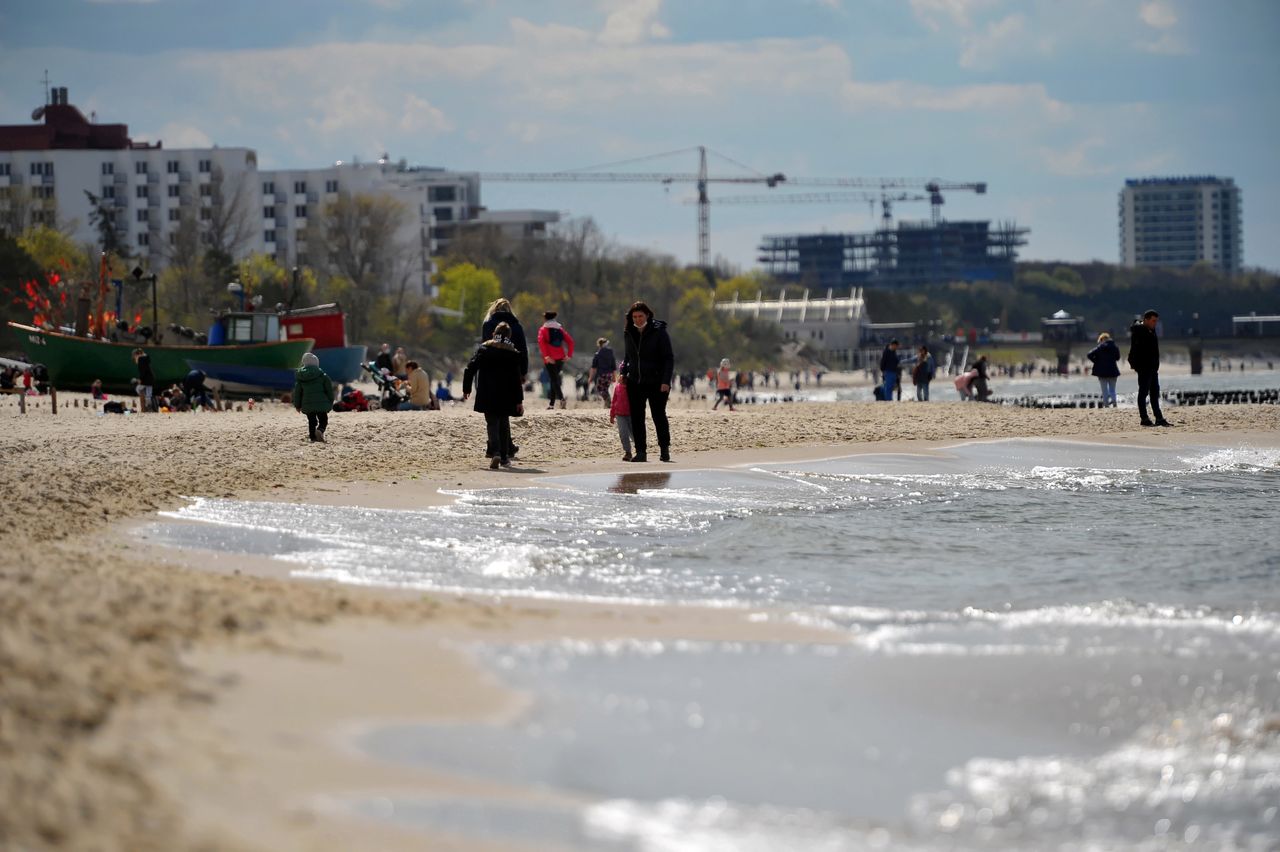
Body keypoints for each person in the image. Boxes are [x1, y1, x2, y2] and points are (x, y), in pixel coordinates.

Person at [463, 321, 525, 469]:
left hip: (487, 393)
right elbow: (517, 379)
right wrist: (519, 400)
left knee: (492, 423)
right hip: (507, 395)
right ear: (509, 336)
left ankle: (495, 452)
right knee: (503, 424)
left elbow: (470, 368)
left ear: (493, 334)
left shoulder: (484, 349)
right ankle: (504, 458)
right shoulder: (513, 353)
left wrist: (467, 388)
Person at [620, 300, 674, 463]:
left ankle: (664, 449)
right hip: (635, 381)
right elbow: (628, 355)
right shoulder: (629, 331)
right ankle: (641, 452)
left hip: (657, 381)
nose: (637, 319)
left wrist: (666, 380)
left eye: (640, 316)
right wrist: (624, 372)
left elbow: (668, 358)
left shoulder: (659, 332)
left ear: (647, 315)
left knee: (658, 415)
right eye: (634, 316)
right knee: (637, 417)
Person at [1128, 309, 1170, 427]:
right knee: (1143, 392)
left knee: (1154, 393)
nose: (1155, 323)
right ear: (1146, 320)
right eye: (1153, 321)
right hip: (1144, 367)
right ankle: (1144, 418)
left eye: (1156, 321)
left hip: (1152, 367)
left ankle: (1159, 418)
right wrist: (1137, 365)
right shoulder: (1139, 331)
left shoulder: (1151, 330)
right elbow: (1135, 350)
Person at [292, 352, 335, 443]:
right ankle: (320, 430)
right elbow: (329, 390)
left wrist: (297, 405)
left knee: (312, 421)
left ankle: (312, 437)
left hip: (307, 404)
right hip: (321, 403)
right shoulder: (323, 376)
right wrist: (331, 400)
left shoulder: (301, 377)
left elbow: (298, 393)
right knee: (323, 420)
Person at [481, 299, 529, 378]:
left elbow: (484, 348)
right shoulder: (517, 326)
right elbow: (523, 350)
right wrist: (523, 372)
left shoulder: (487, 325)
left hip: (491, 369)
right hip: (512, 370)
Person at [537, 310, 575, 409]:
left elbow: (541, 343)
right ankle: (552, 404)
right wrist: (569, 355)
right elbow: (570, 342)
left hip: (549, 358)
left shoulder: (543, 329)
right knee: (554, 379)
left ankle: (561, 399)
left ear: (545, 318)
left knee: (553, 379)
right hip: (561, 357)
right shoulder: (560, 329)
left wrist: (546, 356)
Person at [1087, 332, 1122, 407]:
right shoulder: (1114, 347)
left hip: (1102, 372)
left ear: (1102, 339)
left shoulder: (1100, 348)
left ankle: (1106, 404)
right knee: (1112, 389)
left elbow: (1089, 354)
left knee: (1104, 390)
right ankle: (1114, 402)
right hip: (1113, 371)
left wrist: (1096, 361)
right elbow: (1118, 358)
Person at [609, 373, 634, 461]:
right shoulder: (617, 387)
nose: (621, 378)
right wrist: (612, 415)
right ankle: (628, 452)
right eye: (621, 376)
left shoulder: (632, 387)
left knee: (634, 433)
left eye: (623, 377)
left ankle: (640, 450)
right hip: (619, 414)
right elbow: (614, 401)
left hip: (631, 414)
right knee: (623, 434)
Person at [588, 337, 617, 406]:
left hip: (602, 374)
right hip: (609, 374)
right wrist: (614, 376)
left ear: (599, 344)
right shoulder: (610, 353)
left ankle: (608, 401)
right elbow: (614, 366)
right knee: (606, 388)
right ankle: (608, 402)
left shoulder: (598, 354)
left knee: (600, 388)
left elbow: (593, 367)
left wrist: (590, 378)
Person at [131, 348, 154, 412]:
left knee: (138, 389)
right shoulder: (146, 359)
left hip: (145, 379)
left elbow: (142, 371)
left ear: (137, 355)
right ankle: (149, 407)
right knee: (149, 394)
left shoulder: (141, 360)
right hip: (150, 379)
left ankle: (145, 406)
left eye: (134, 355)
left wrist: (140, 379)